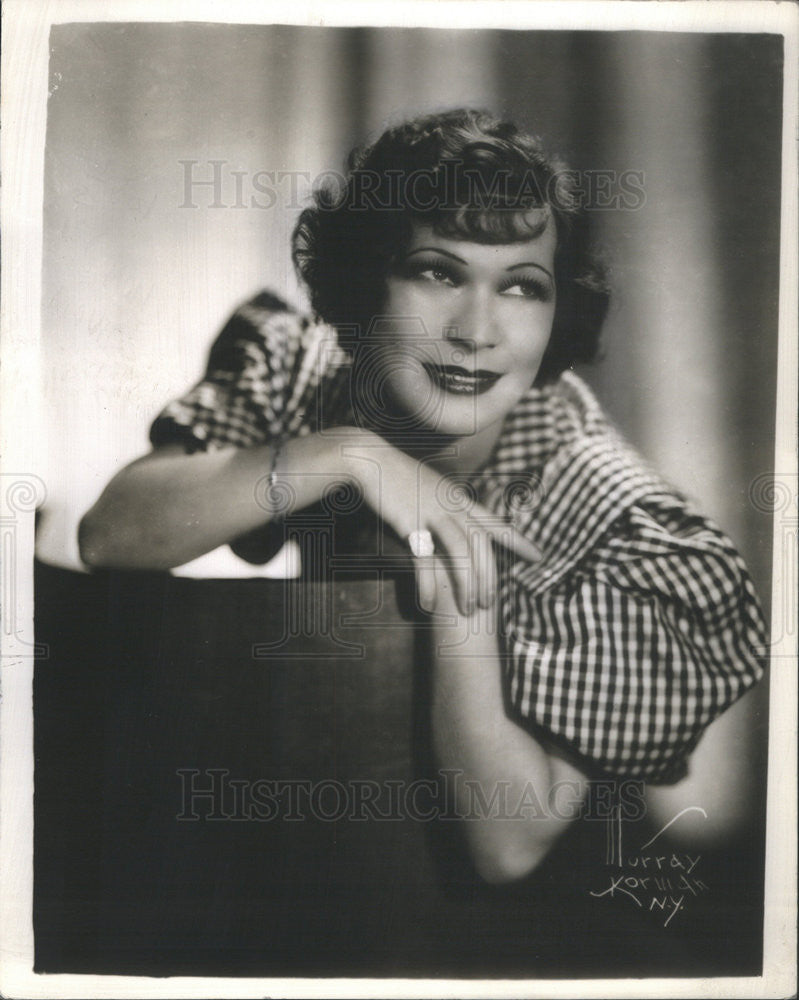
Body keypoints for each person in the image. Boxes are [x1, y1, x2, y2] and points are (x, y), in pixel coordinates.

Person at [78, 108, 767, 886]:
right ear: (368, 281)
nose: (476, 330)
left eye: (521, 287)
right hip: (346, 842)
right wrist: (347, 453)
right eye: (437, 272)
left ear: (556, 316)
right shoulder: (298, 372)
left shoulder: (614, 519)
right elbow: (110, 536)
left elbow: (509, 848)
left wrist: (459, 579)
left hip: (561, 910)